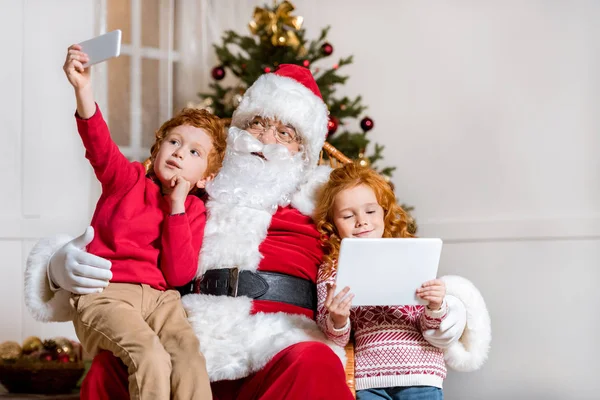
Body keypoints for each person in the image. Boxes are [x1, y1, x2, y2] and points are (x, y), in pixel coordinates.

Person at [25, 64, 488, 400]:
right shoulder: (185, 189)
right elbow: (121, 231)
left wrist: (454, 308)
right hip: (185, 333)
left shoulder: (322, 203)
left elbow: (390, 253)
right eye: (257, 124)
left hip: (278, 343)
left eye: (285, 133)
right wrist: (55, 266)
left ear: (305, 153)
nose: (266, 139)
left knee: (314, 363)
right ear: (235, 133)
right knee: (113, 366)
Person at [57, 44, 227, 399]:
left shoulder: (193, 210)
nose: (180, 152)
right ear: (157, 149)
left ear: (206, 177)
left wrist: (176, 208)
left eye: (194, 152)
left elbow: (179, 274)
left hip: (162, 301)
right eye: (174, 142)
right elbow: (99, 143)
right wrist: (83, 90)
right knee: (150, 356)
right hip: (107, 297)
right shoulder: (127, 180)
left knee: (189, 361)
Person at [314, 163, 481, 400]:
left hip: (422, 375)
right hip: (369, 378)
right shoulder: (332, 268)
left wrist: (436, 306)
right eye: (348, 215)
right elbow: (335, 338)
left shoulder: (411, 254)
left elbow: (430, 327)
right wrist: (338, 318)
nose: (361, 221)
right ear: (333, 222)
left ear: (384, 212)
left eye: (370, 211)